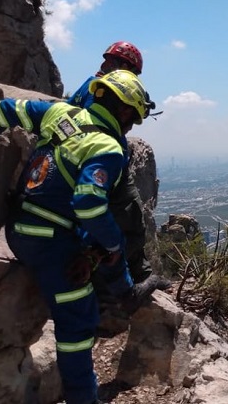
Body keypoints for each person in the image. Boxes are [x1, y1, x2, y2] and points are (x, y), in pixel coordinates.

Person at [0, 70, 168, 404]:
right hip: (51, 243)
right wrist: (114, 244)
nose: (131, 128)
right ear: (126, 112)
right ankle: (84, 398)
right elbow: (87, 202)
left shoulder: (60, 113)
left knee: (98, 242)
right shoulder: (108, 147)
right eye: (134, 119)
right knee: (78, 321)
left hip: (19, 228)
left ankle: (124, 289)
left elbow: (7, 109)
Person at [68, 41, 153, 285]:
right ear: (125, 66)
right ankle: (135, 275)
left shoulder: (91, 85)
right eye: (133, 73)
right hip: (104, 159)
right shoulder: (109, 89)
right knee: (130, 214)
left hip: (80, 158)